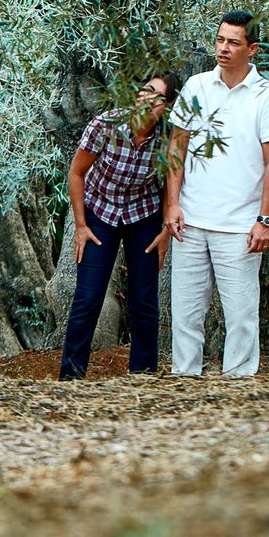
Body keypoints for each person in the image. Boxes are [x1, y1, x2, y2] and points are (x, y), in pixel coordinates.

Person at [160, 12, 269, 378]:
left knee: (241, 315)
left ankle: (238, 384)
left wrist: (264, 220)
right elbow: (176, 149)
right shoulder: (197, 86)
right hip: (192, 220)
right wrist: (172, 203)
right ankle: (185, 380)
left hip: (240, 225)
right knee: (185, 312)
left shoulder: (267, 96)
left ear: (252, 49)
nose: (223, 48)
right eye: (219, 40)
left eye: (233, 42)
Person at [57, 71, 183, 380]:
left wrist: (166, 229)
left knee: (144, 300)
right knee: (88, 297)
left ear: (167, 106)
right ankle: (70, 377)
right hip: (101, 213)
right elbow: (76, 173)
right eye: (146, 91)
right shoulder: (106, 125)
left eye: (158, 97)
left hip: (144, 214)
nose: (148, 100)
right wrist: (81, 225)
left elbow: (171, 182)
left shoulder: (168, 136)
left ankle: (143, 375)